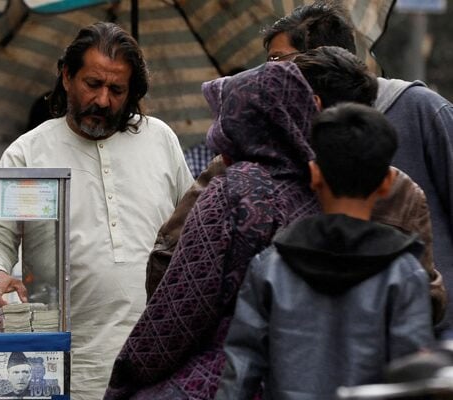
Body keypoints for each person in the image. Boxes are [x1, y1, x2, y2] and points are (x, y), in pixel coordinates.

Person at [0, 22, 194, 399]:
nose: (104, 101)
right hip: (70, 363)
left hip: (158, 357)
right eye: (93, 84)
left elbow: (191, 229)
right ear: (66, 76)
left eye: (117, 90)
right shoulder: (27, 154)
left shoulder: (161, 140)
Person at [145, 46, 446, 324]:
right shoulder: (397, 187)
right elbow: (427, 302)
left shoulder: (235, 170)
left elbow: (167, 265)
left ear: (306, 104)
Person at [106, 62, 320, 399]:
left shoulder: (234, 192)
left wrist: (127, 375)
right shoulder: (326, 189)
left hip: (228, 378)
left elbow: (180, 310)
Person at [216, 102, 434, 398]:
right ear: (387, 183)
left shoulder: (271, 266)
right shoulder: (404, 273)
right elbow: (411, 383)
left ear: (315, 175)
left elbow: (240, 374)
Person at [263, 0, 453, 336]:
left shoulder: (420, 110)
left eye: (281, 62)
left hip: (435, 330)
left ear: (322, 60)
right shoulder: (293, 136)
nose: (271, 76)